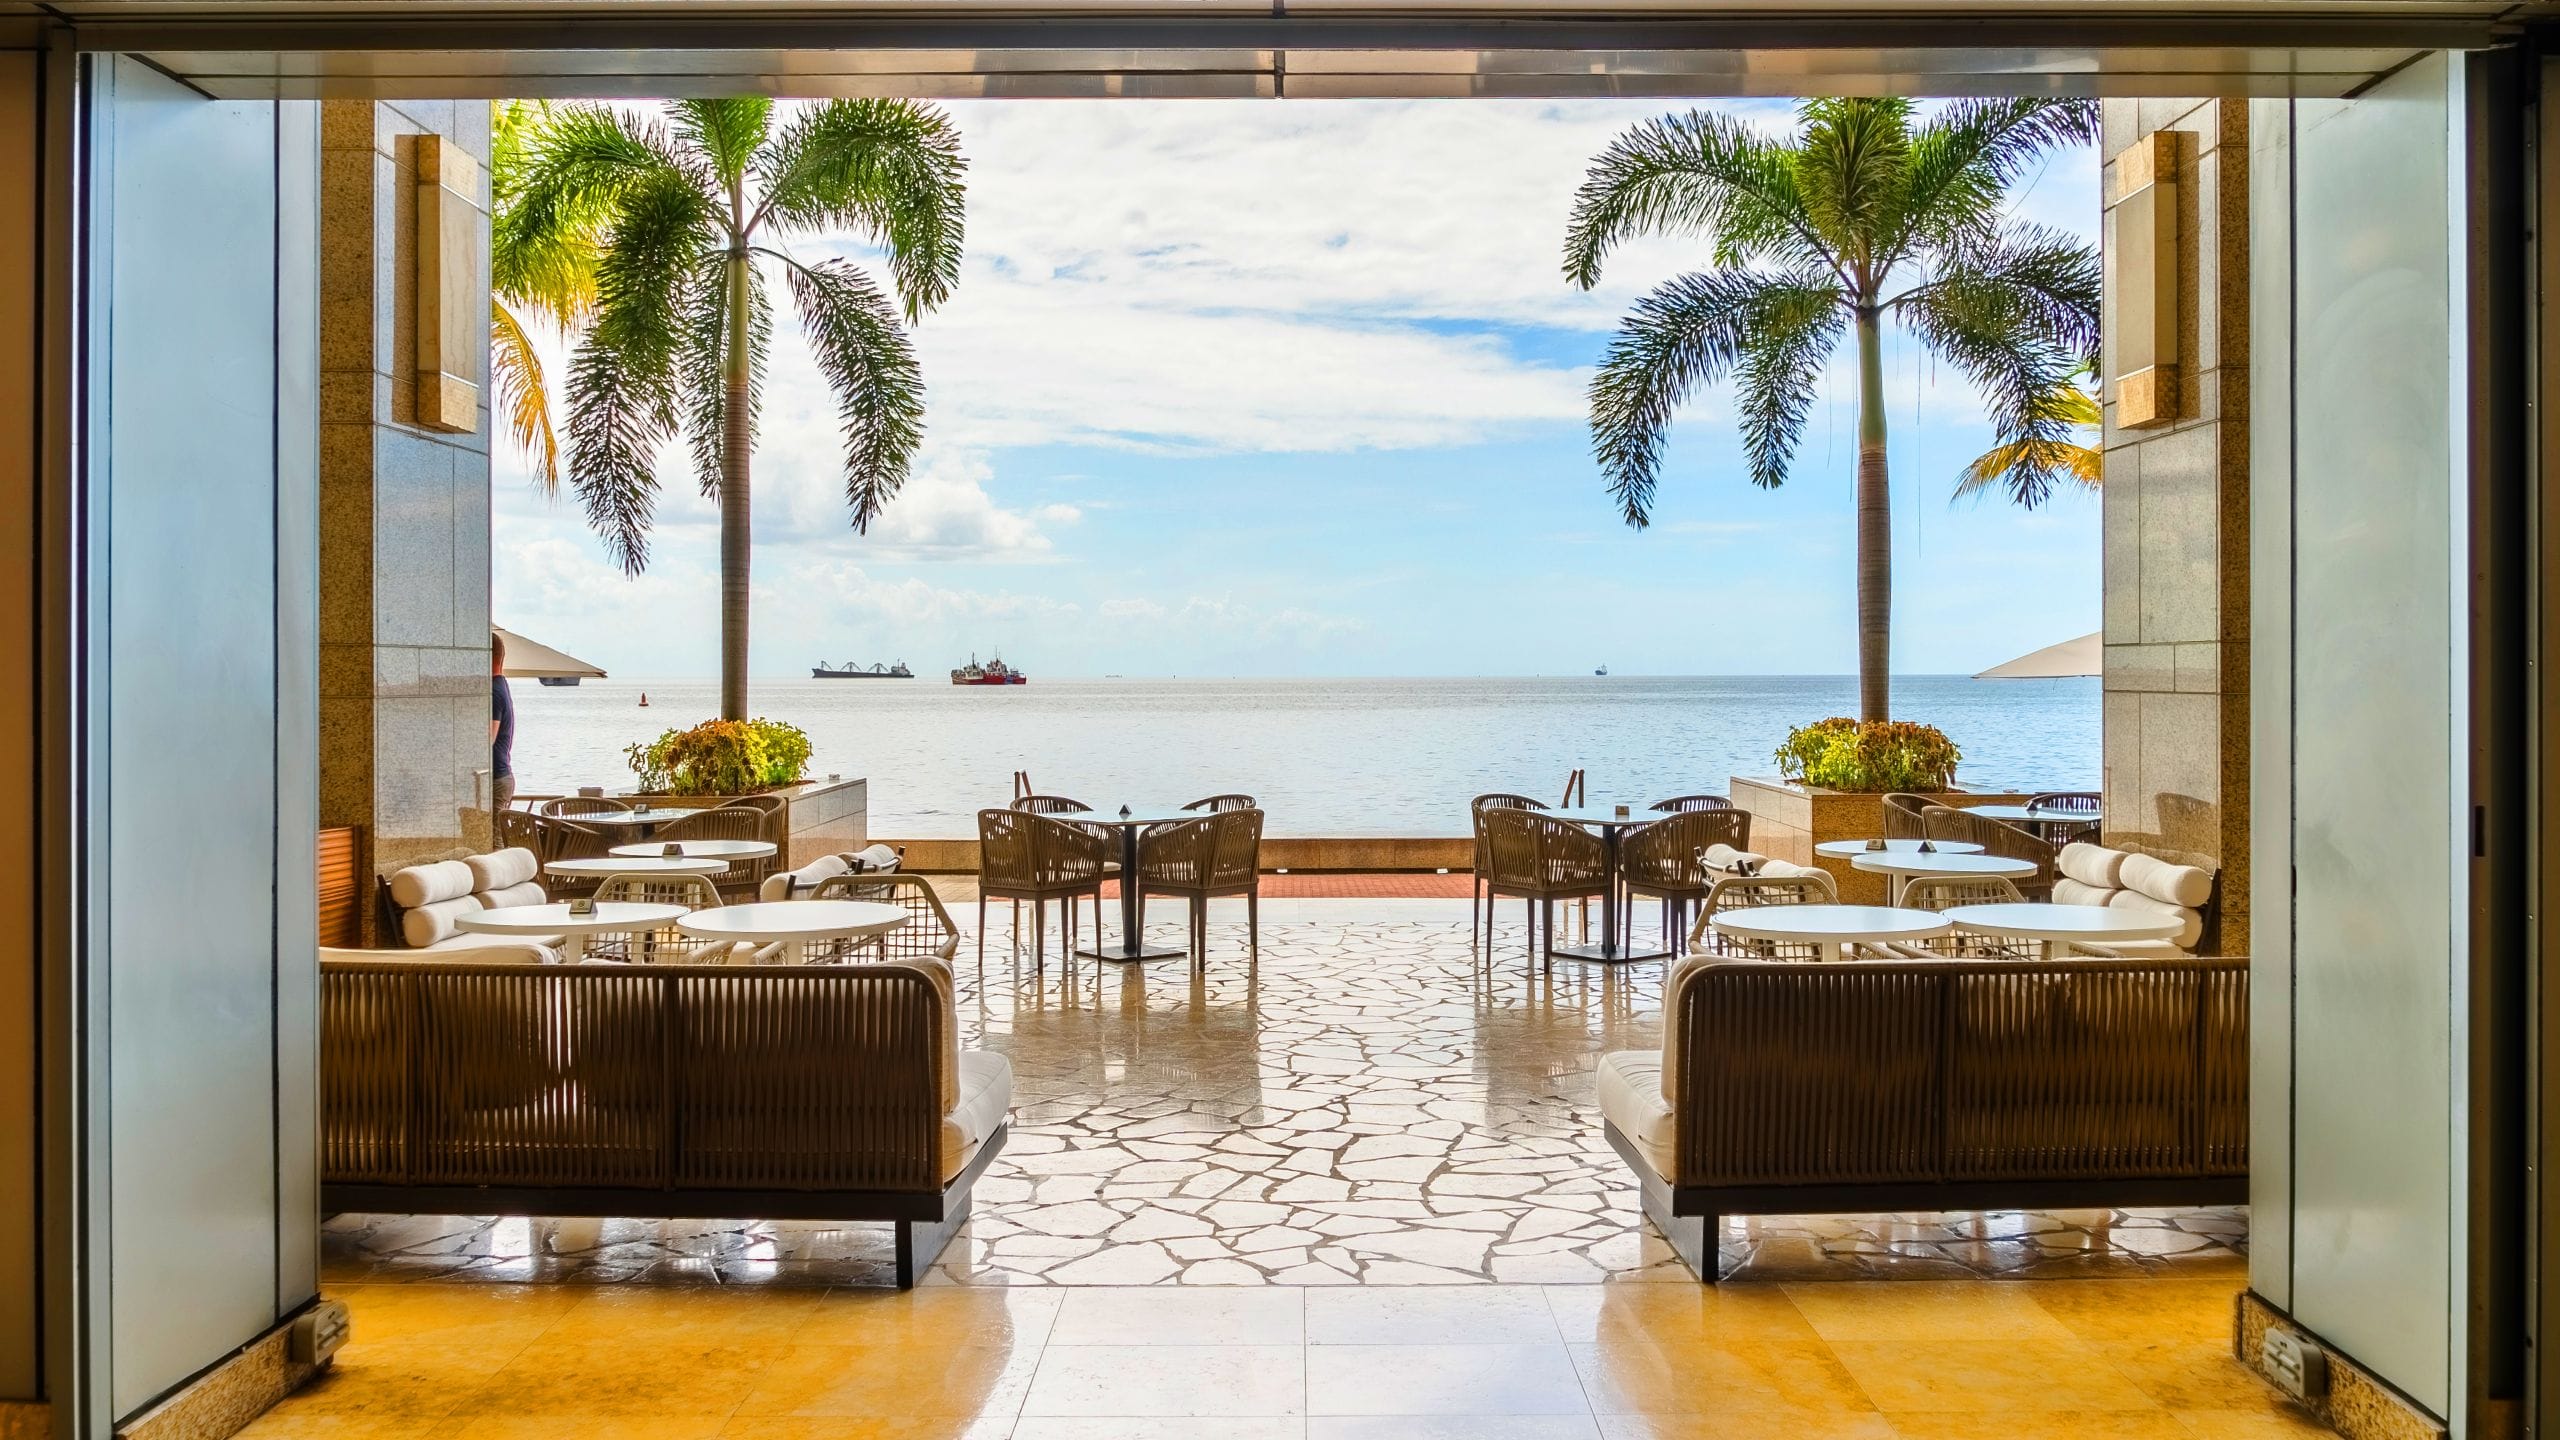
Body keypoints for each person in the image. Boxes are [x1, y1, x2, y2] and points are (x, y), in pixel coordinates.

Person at [490, 631, 517, 812]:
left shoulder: (493, 691)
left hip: (497, 779)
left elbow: (488, 740)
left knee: (493, 839)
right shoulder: (501, 684)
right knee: (493, 838)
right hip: (501, 777)